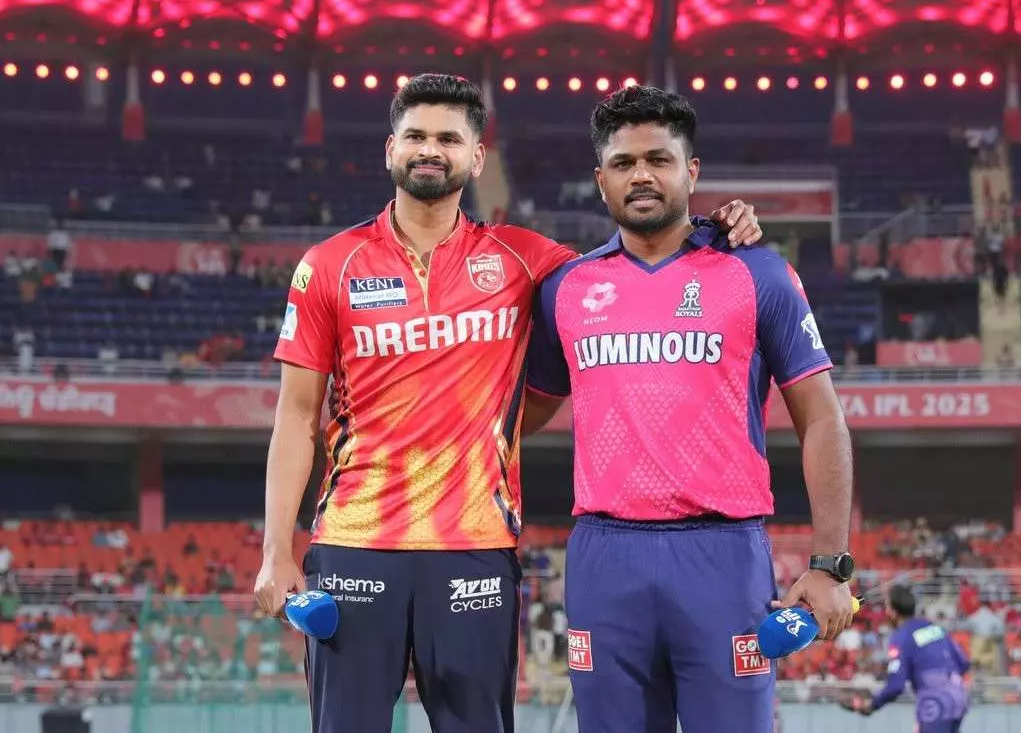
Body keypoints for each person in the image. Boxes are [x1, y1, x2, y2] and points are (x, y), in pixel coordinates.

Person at [251, 73, 764, 733]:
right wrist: (276, 550)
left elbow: (631, 264)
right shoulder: (329, 265)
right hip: (354, 545)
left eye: (448, 139)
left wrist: (712, 227)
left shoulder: (526, 260)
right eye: (415, 136)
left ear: (475, 158)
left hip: (475, 548)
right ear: (390, 149)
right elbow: (296, 416)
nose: (429, 150)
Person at [521, 85, 855, 732]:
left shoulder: (757, 273)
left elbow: (822, 419)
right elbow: (521, 415)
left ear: (691, 171)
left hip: (721, 554)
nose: (641, 175)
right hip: (604, 557)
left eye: (659, 159)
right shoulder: (566, 288)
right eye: (623, 163)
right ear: (600, 179)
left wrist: (830, 563)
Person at [842, 584, 970, 732]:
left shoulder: (901, 637)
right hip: (959, 697)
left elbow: (896, 685)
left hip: (934, 703)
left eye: (887, 606)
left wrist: (872, 705)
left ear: (893, 612)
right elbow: (963, 663)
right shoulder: (934, 627)